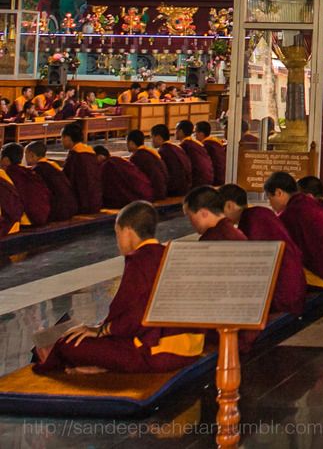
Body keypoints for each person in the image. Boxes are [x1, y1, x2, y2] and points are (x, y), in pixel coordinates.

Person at [33, 202, 205, 374]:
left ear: (127, 231)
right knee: (89, 337)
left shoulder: (139, 260)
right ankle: (101, 364)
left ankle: (86, 365)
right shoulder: (168, 253)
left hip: (157, 354)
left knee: (68, 343)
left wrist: (101, 331)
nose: (118, 243)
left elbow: (133, 318)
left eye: (117, 234)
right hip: (191, 347)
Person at [218, 184, 305, 315]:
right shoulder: (261, 213)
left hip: (283, 293)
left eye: (220, 210)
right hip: (297, 284)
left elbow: (254, 267)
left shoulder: (251, 221)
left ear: (229, 205)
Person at [264, 171, 323, 288]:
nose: (270, 204)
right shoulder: (306, 203)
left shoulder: (292, 213)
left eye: (269, 198)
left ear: (279, 192)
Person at [59, 122, 104, 215]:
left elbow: (67, 179)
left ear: (68, 138)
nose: (61, 140)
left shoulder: (75, 155)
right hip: (96, 201)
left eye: (62, 137)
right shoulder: (90, 153)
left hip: (82, 204)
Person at [27, 142, 76, 223]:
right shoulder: (53, 165)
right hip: (71, 207)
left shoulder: (38, 169)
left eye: (26, 155)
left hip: (59, 210)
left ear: (32, 155)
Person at [3, 142, 48, 227]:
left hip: (28, 219)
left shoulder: (9, 173)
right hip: (43, 214)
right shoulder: (29, 172)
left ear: (5, 160)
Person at [127, 129, 170, 200]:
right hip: (163, 190)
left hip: (154, 193)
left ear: (131, 143)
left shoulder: (136, 157)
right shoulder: (150, 152)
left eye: (127, 143)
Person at [151, 124, 192, 198]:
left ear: (158, 137)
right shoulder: (176, 147)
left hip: (175, 191)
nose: (151, 141)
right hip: (186, 188)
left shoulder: (163, 151)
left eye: (152, 137)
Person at [174, 120, 215, 187]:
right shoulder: (195, 143)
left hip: (198, 181)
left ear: (181, 132)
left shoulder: (185, 145)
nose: (175, 132)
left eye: (176, 130)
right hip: (209, 178)